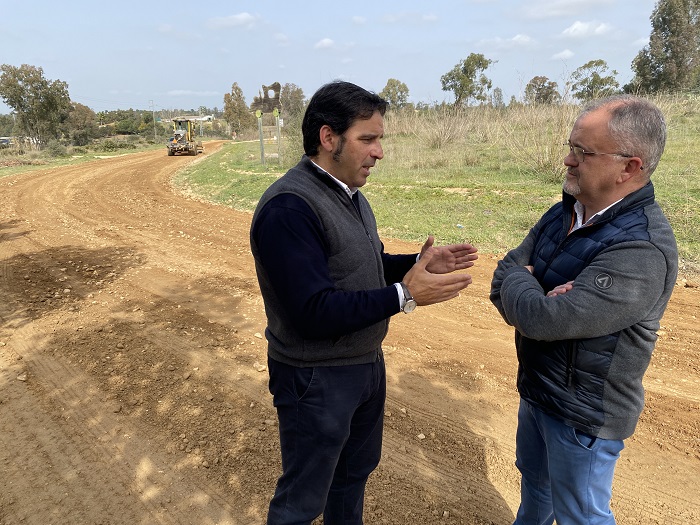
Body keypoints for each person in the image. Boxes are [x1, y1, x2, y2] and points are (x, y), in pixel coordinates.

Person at [250, 80, 478, 525]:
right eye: (367, 139)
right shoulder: (289, 208)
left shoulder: (349, 193)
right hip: (315, 379)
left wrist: (417, 263)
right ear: (328, 137)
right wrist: (405, 294)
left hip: (363, 367)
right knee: (301, 502)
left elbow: (361, 265)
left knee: (352, 478)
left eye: (380, 140)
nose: (379, 152)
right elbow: (313, 311)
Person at [490, 94, 678, 525]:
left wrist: (528, 285)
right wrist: (528, 286)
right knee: (536, 492)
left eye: (583, 152)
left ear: (630, 166)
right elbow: (503, 276)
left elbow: (542, 317)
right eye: (571, 147)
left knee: (582, 516)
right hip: (538, 391)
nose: (568, 161)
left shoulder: (642, 248)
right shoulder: (565, 212)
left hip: (583, 415)